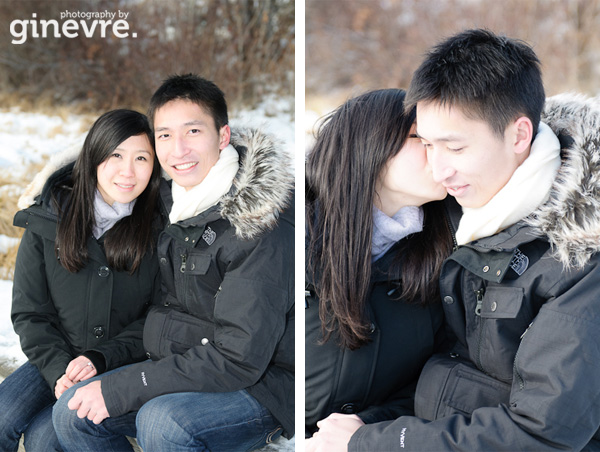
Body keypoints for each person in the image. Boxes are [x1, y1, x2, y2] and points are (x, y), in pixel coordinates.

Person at [307, 28, 600, 451]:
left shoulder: (577, 258)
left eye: (454, 148)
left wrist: (373, 442)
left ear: (519, 136)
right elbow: (446, 380)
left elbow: (544, 432)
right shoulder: (466, 216)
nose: (439, 170)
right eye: (425, 144)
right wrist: (363, 429)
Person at [53, 74, 295, 451]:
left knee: (165, 423)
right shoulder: (167, 202)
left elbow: (240, 356)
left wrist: (126, 386)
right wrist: (104, 360)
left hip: (264, 384)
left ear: (223, 136)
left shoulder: (258, 221)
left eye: (193, 131)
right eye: (164, 135)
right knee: (75, 412)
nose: (178, 150)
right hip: (184, 364)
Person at [0, 109, 162, 452]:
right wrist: (60, 370)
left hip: (122, 361)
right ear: (93, 157)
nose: (128, 171)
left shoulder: (162, 226)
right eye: (115, 155)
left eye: (141, 158)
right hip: (59, 355)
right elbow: (30, 312)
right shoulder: (49, 216)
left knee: (46, 440)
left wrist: (98, 360)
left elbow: (162, 313)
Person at [305, 89, 452, 436]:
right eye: (419, 138)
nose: (440, 153)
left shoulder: (447, 250)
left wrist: (366, 427)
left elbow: (441, 375)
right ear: (369, 147)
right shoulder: (294, 234)